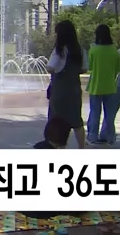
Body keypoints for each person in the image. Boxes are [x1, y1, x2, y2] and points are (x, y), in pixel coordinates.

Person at [46, 20, 88, 149]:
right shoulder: (80, 50)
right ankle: (82, 147)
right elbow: (84, 69)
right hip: (74, 89)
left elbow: (50, 67)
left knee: (57, 121)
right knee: (76, 121)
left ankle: (59, 146)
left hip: (60, 90)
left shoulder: (59, 50)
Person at [86, 24, 120, 145]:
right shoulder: (114, 51)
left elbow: (90, 67)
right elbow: (119, 69)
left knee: (95, 113)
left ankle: (92, 137)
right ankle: (110, 137)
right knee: (110, 115)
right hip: (110, 86)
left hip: (95, 86)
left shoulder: (93, 50)